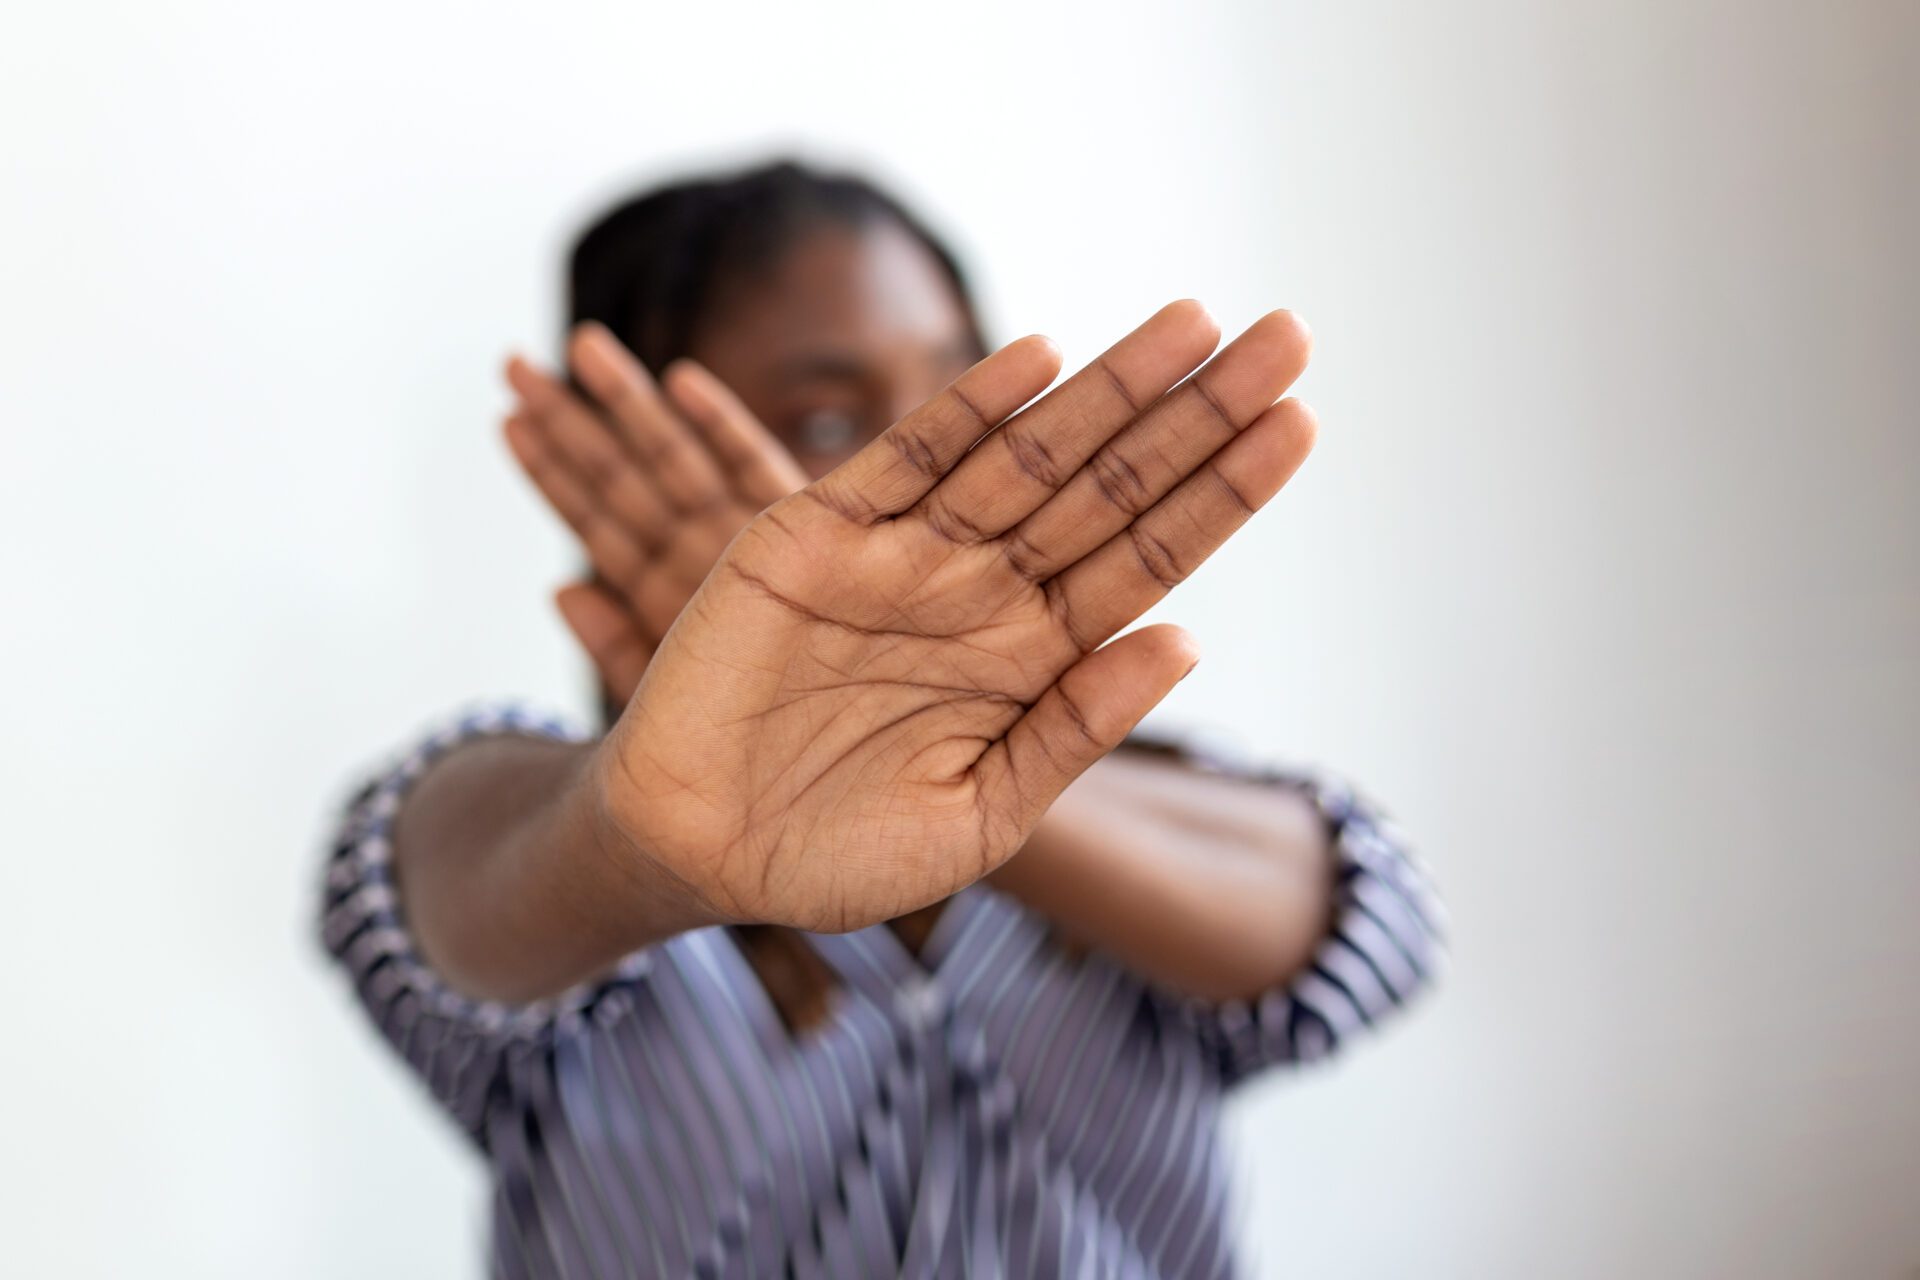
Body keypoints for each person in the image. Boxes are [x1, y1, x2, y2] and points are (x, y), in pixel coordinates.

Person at [319, 160, 1442, 1279]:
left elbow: (1374, 930)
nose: (942, 461)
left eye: (962, 392)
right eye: (823, 420)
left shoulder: (1149, 796)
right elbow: (430, 903)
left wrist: (968, 775)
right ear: (636, 470)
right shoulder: (559, 852)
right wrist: (639, 835)